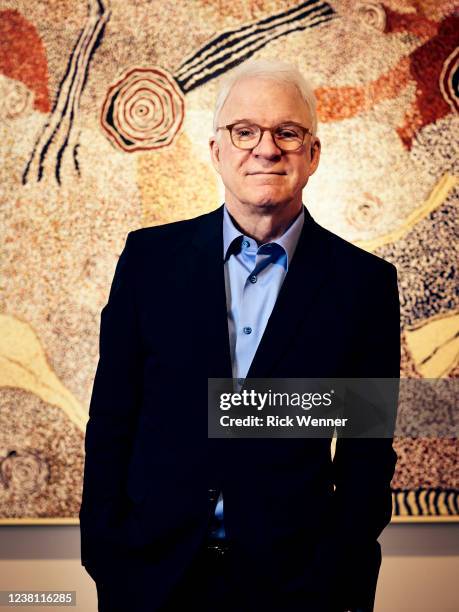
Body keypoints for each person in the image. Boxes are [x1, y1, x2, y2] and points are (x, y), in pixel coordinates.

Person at [79, 59, 400, 612]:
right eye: (244, 131)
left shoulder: (363, 285)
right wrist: (106, 553)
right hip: (152, 578)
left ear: (313, 154)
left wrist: (341, 571)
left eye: (288, 132)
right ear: (216, 151)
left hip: (296, 586)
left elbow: (365, 451)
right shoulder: (149, 261)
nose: (266, 148)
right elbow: (112, 418)